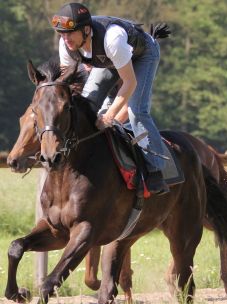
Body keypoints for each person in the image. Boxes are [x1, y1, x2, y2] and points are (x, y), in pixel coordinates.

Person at [51, 2, 169, 195]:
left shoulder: (112, 39)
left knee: (135, 111)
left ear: (86, 30)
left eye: (70, 33)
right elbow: (70, 87)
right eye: (62, 34)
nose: (65, 39)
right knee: (87, 102)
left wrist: (110, 116)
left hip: (143, 55)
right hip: (110, 61)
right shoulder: (66, 45)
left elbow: (130, 83)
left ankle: (155, 171)